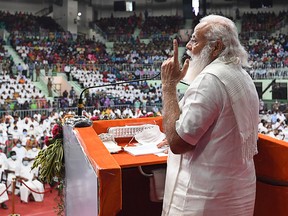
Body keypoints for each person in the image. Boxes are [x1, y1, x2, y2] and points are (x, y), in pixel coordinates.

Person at [159, 15, 259, 216]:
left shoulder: (210, 80)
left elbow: (179, 143)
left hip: (203, 199)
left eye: (195, 40)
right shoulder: (242, 75)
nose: (188, 46)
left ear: (216, 47)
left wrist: (168, 86)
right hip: (235, 193)